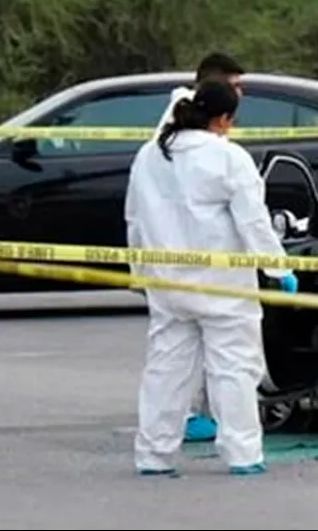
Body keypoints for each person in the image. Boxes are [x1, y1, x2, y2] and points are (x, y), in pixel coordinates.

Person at [125, 77, 298, 477]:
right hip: (222, 285)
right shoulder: (228, 157)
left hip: (167, 284)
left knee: (166, 370)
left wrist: (139, 273)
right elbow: (253, 221)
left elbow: (133, 218)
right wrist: (279, 268)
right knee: (234, 368)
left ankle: (153, 456)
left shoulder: (150, 156)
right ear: (223, 119)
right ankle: (243, 455)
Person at [155, 53, 246, 445]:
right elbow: (251, 217)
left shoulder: (169, 144)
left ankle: (158, 447)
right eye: (236, 86)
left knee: (175, 358)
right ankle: (231, 442)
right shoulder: (217, 152)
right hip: (205, 270)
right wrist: (277, 268)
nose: (241, 94)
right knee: (223, 360)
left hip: (175, 268)